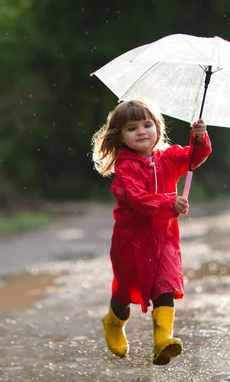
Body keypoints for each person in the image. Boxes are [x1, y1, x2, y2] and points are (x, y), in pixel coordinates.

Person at [91, 99, 212, 365]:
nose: (142, 131)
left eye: (147, 124)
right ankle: (114, 322)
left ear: (158, 127)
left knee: (165, 285)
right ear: (120, 136)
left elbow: (194, 156)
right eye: (132, 128)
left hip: (165, 236)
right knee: (125, 291)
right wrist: (170, 203)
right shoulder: (126, 166)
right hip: (132, 239)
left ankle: (162, 341)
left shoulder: (168, 157)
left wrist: (199, 138)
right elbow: (136, 199)